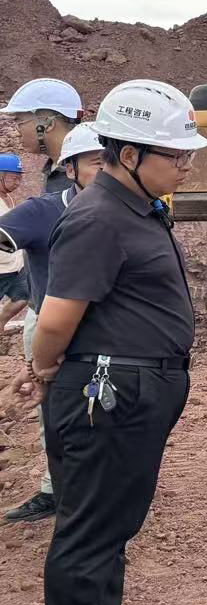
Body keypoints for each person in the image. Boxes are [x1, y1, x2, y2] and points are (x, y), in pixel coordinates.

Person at [11, 81, 206, 605]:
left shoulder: (136, 208)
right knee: (90, 532)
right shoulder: (98, 218)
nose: (187, 164)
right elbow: (56, 319)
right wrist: (41, 371)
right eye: (176, 154)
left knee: (111, 527)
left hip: (135, 390)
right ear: (129, 155)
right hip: (109, 393)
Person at [1, 125, 104, 525]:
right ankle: (56, 492)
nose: (107, 171)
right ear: (70, 169)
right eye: (97, 162)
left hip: (106, 331)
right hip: (50, 329)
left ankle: (103, 495)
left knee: (104, 413)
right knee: (56, 418)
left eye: (112, 161)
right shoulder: (42, 211)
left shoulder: (133, 213)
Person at [2, 78, 85, 200]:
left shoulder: (84, 175)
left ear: (48, 124)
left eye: (20, 122)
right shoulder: (56, 168)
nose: (17, 132)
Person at [0, 152, 27, 333]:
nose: (18, 183)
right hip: (2, 266)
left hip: (14, 265)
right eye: (14, 178)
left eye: (19, 178)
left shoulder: (7, 197)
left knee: (25, 294)